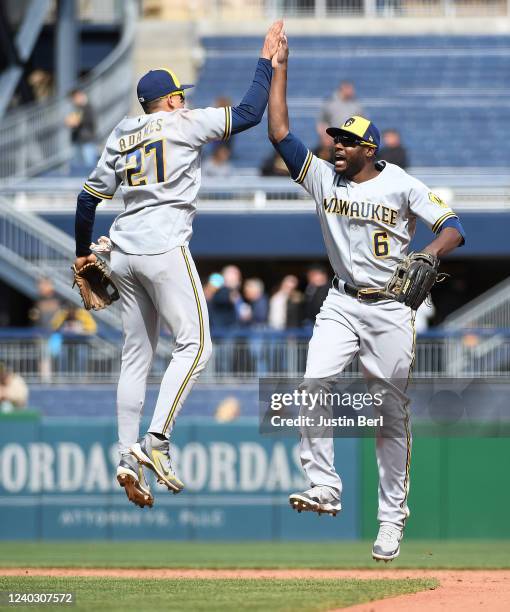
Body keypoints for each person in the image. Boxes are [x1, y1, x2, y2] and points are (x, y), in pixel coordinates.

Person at [268, 35, 465, 562]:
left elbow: (452, 227)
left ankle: (392, 519)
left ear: (369, 150)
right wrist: (279, 66)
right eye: (335, 138)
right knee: (312, 385)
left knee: (389, 414)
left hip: (390, 308)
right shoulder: (322, 180)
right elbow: (280, 132)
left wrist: (429, 255)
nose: (336, 144)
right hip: (340, 302)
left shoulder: (399, 183)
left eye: (346, 141)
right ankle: (324, 486)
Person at [73, 21, 285, 509]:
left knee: (135, 357)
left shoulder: (122, 132)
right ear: (167, 101)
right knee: (196, 346)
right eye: (179, 96)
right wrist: (264, 60)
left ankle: (125, 453)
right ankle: (157, 439)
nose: (184, 101)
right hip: (164, 246)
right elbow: (250, 113)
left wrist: (83, 251)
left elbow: (88, 200)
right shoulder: (183, 123)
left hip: (122, 253)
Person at [65, 88, 97, 168]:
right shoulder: (76, 108)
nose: (73, 100)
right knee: (77, 167)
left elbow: (90, 121)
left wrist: (77, 121)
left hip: (87, 140)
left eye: (74, 98)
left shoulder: (88, 107)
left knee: (90, 166)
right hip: (77, 140)